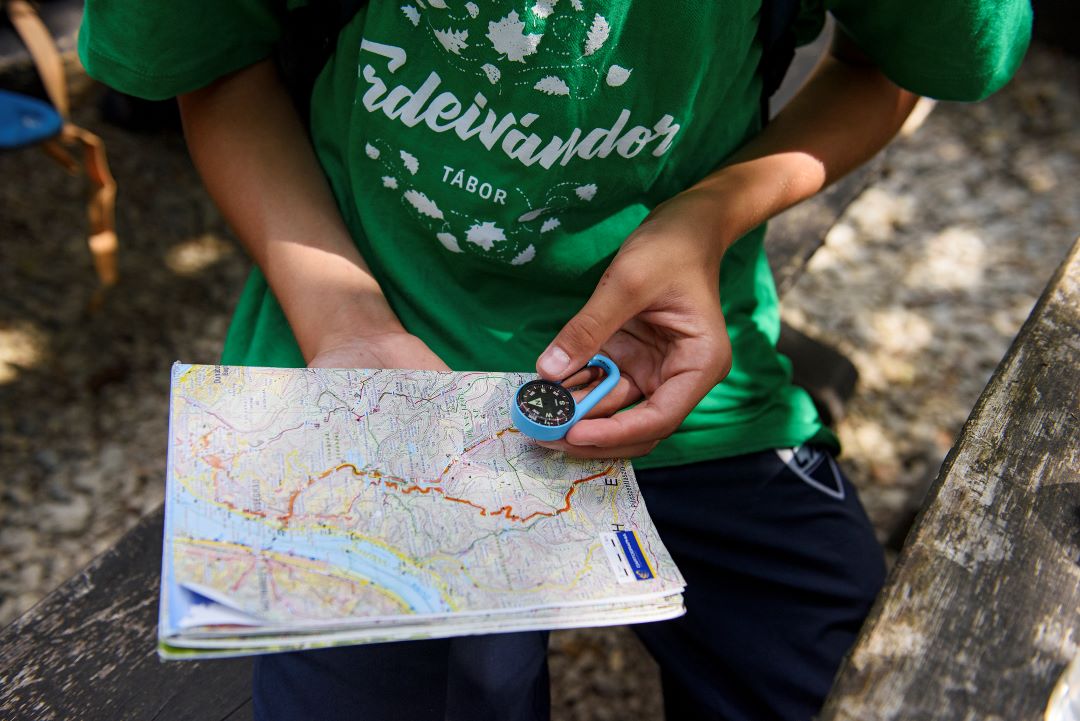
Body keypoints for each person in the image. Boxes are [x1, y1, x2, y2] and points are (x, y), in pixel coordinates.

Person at [79, 1, 1031, 719]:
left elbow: (891, 67)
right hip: (370, 378)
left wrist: (710, 215)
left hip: (681, 381)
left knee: (870, 683)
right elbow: (208, 64)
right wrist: (344, 320)